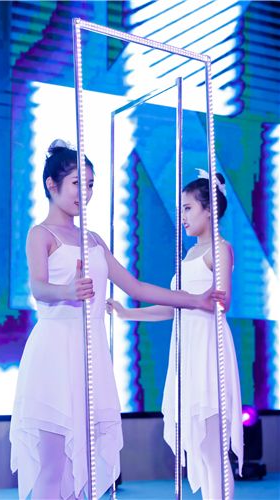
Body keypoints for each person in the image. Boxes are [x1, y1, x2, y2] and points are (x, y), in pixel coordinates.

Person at [10, 141, 225, 499]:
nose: (86, 193)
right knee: (53, 466)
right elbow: (39, 288)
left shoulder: (94, 240)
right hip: (54, 354)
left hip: (91, 356)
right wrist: (68, 291)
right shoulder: (41, 234)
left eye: (90, 184)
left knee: (82, 469)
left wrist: (194, 299)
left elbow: (136, 287)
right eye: (78, 183)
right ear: (51, 184)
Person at [107, 171, 242, 498]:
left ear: (209, 210)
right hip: (187, 350)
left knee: (212, 449)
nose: (182, 215)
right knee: (202, 449)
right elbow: (175, 307)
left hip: (208, 347)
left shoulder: (220, 249)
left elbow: (220, 301)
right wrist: (128, 313)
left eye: (188, 208)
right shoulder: (189, 255)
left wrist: (203, 298)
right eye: (181, 209)